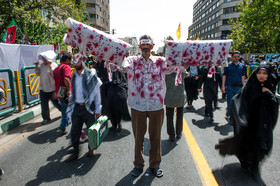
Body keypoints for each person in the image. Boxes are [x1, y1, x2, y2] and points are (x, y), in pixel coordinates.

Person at [113, 35, 179, 178]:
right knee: (138, 137)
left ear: (152, 47)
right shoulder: (131, 61)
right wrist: (111, 55)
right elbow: (118, 65)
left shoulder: (160, 62)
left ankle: (155, 164)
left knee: (155, 137)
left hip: (156, 105)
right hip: (138, 105)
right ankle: (138, 164)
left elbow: (175, 66)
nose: (145, 51)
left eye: (148, 48)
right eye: (143, 48)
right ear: (140, 48)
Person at [215, 64, 279, 182]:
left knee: (260, 146)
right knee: (244, 143)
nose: (261, 76)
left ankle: (254, 166)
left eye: (264, 74)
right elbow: (237, 100)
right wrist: (242, 119)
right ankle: (244, 162)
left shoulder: (269, 86)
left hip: (262, 124)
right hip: (249, 122)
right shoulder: (250, 86)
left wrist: (268, 94)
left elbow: (274, 107)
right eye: (259, 73)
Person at [65, 53, 102, 161]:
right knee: (75, 131)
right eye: (73, 61)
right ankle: (75, 153)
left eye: (76, 61)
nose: (74, 63)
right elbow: (76, 90)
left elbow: (96, 93)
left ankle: (91, 149)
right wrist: (71, 96)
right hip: (77, 107)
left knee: (91, 131)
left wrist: (98, 109)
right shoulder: (74, 75)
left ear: (82, 61)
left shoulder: (90, 74)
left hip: (88, 108)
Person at [35, 51, 61, 124]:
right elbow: (37, 74)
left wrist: (50, 66)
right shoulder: (42, 65)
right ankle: (46, 118)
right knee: (44, 104)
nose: (43, 59)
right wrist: (36, 66)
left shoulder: (54, 65)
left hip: (52, 88)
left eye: (44, 58)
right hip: (43, 88)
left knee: (56, 103)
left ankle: (65, 112)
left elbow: (55, 75)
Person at [103, 66, 131, 132]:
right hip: (109, 93)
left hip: (117, 94)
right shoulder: (106, 69)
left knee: (117, 110)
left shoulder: (118, 70)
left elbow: (121, 82)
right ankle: (114, 124)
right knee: (110, 110)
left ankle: (118, 124)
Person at [222, 51, 245, 124]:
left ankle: (236, 116)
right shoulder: (228, 65)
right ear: (232, 57)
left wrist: (244, 86)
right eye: (235, 56)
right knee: (230, 102)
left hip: (239, 87)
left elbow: (243, 77)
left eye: (238, 56)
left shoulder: (241, 66)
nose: (236, 58)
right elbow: (224, 76)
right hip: (230, 87)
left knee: (238, 103)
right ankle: (230, 117)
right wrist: (223, 86)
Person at [53, 52, 72, 135]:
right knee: (65, 109)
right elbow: (66, 79)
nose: (71, 62)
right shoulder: (66, 67)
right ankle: (62, 126)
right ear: (67, 60)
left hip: (58, 91)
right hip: (65, 92)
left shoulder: (56, 68)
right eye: (70, 60)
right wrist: (69, 91)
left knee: (65, 108)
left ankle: (67, 121)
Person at [164, 70, 187, 141]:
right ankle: (179, 133)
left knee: (169, 116)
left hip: (169, 96)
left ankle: (171, 135)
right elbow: (186, 74)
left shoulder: (166, 71)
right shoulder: (181, 70)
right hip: (180, 96)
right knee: (180, 115)